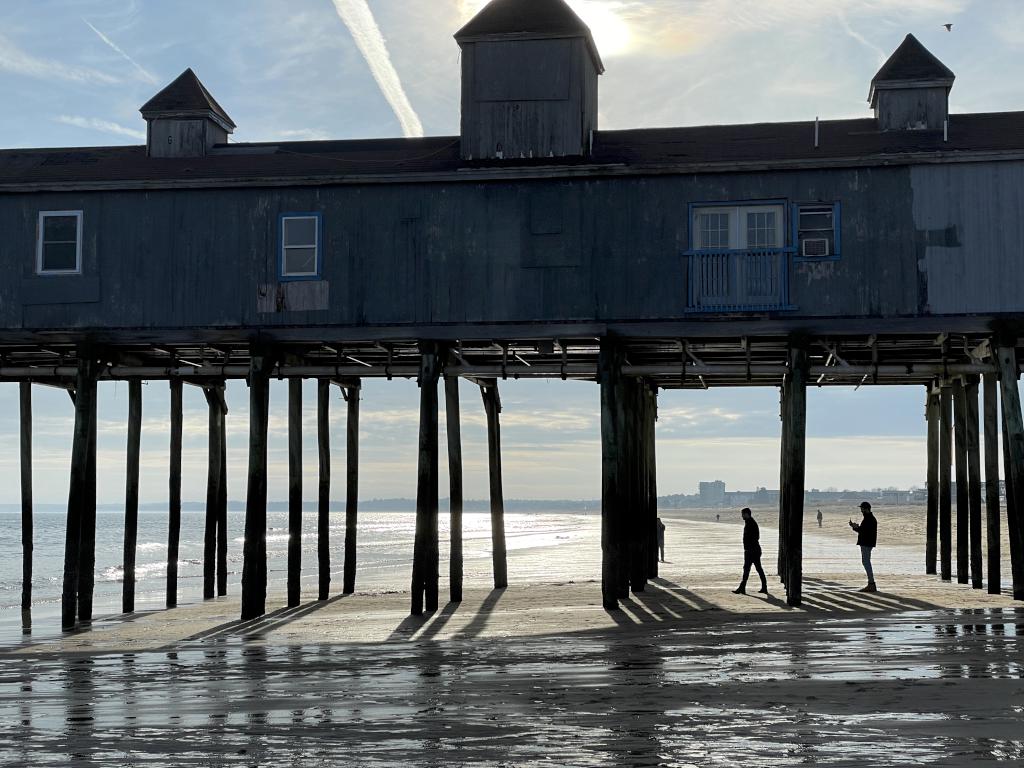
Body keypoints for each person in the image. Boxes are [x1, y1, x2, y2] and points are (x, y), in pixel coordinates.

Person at [733, 508, 767, 595]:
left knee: (752, 569)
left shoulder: (751, 523)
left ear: (747, 514)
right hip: (752, 550)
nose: (742, 516)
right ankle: (744, 588)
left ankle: (742, 588)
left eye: (743, 514)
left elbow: (756, 537)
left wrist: (749, 547)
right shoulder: (749, 522)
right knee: (752, 568)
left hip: (752, 551)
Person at [849, 501, 878, 592]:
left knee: (866, 562)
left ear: (866, 509)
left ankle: (871, 584)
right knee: (866, 562)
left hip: (866, 543)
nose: (861, 510)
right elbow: (863, 530)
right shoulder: (868, 518)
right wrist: (855, 527)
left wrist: (855, 527)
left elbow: (864, 531)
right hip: (867, 543)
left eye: (862, 509)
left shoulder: (869, 519)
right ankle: (871, 583)